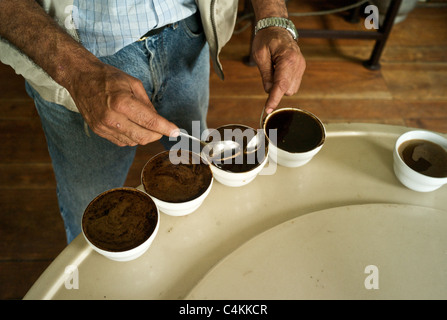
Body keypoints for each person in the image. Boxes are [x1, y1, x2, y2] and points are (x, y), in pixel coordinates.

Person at [0, 0, 306, 243]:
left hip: (189, 33)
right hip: (77, 52)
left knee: (195, 163)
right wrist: (76, 73)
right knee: (90, 213)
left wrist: (271, 15)